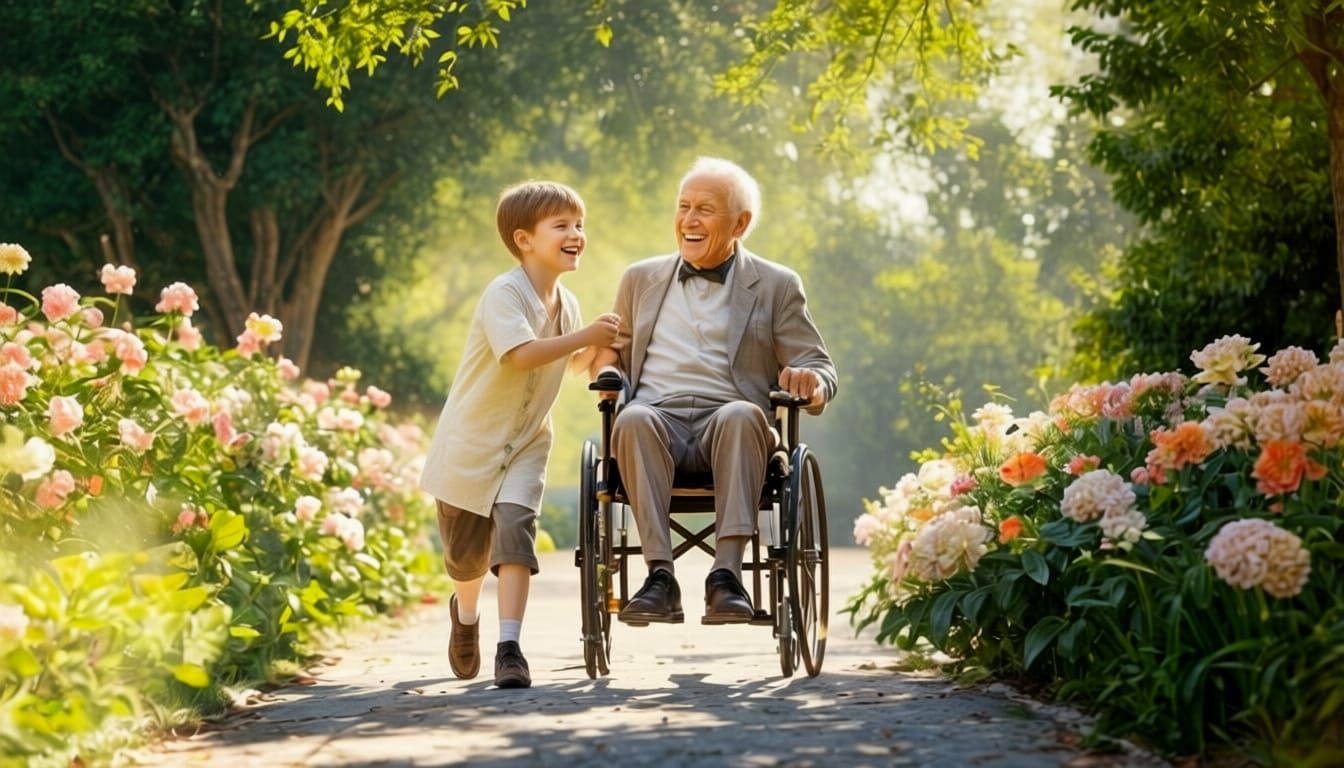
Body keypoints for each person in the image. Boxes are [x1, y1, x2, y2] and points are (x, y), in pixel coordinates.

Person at [595, 156, 837, 626]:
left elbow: (818, 364)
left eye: (705, 209)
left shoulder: (776, 285)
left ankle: (725, 576)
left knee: (743, 414)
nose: (689, 219)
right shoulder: (639, 278)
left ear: (740, 223)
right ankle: (659, 577)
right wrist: (607, 372)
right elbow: (614, 352)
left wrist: (811, 383)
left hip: (730, 428)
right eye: (683, 206)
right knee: (634, 417)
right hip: (655, 422)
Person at [420, 180, 620, 688]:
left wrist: (605, 350)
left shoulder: (567, 304)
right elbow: (522, 354)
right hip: (473, 443)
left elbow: (570, 361)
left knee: (515, 531)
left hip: (528, 442)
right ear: (524, 239)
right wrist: (587, 336)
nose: (576, 234)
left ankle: (510, 647)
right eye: (563, 226)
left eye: (580, 225)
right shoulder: (503, 293)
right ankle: (465, 617)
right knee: (465, 556)